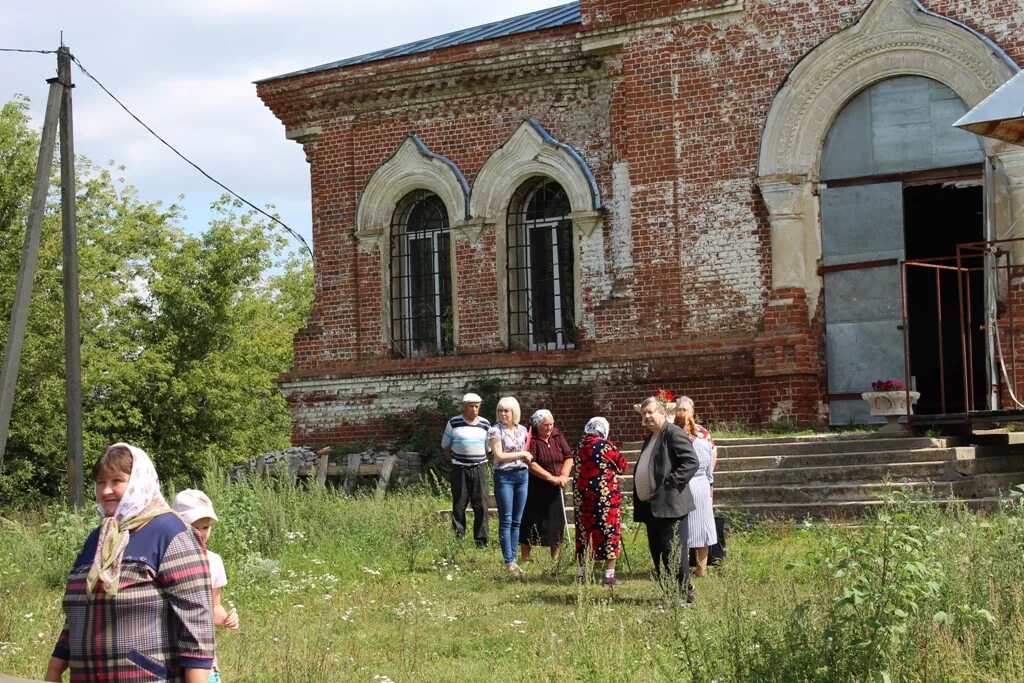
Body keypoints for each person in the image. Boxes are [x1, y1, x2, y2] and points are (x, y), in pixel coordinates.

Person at [45, 443, 214, 683]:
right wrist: (55, 668)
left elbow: (196, 621)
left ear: (138, 482)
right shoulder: (101, 537)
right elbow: (79, 611)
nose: (105, 491)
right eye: (100, 483)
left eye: (116, 481)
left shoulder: (170, 533)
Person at [633, 396, 699, 605]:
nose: (647, 416)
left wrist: (671, 482)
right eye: (644, 413)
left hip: (670, 505)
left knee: (673, 551)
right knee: (658, 550)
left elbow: (691, 462)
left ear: (663, 413)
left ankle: (683, 595)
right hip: (652, 506)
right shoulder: (651, 437)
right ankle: (670, 592)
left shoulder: (673, 433)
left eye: (651, 412)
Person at [173, 489, 240, 683]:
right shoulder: (167, 560)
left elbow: (213, 606)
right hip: (171, 649)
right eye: (194, 527)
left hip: (202, 650)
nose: (201, 533)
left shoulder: (214, 561)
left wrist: (226, 618)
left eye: (206, 527)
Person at [573, 417, 628, 586]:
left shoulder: (579, 446)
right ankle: (608, 576)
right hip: (604, 498)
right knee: (609, 532)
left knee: (584, 534)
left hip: (582, 498)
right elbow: (622, 465)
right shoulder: (605, 445)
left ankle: (582, 575)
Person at [486, 396, 533, 575]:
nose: (503, 414)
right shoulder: (495, 431)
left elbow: (528, 452)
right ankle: (509, 562)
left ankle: (514, 559)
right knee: (506, 519)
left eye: (506, 410)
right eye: (500, 410)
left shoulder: (523, 430)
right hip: (504, 476)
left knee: (517, 520)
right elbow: (499, 455)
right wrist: (522, 453)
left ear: (514, 412)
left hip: (522, 476)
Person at [520, 409, 574, 564]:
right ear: (537, 425)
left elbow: (568, 456)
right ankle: (526, 559)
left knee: (556, 523)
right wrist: (550, 477)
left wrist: (563, 475)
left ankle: (555, 559)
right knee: (530, 522)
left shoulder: (557, 434)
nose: (549, 428)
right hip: (536, 487)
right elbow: (530, 463)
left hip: (556, 488)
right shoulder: (532, 438)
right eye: (546, 425)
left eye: (551, 424)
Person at [442, 392, 491, 548]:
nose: (474, 410)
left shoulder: (485, 424)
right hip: (460, 469)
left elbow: (488, 448)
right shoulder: (454, 423)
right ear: (464, 406)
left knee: (481, 506)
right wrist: (455, 461)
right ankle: (458, 541)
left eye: (477, 406)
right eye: (471, 406)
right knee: (459, 505)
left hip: (480, 468)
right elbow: (445, 446)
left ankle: (481, 542)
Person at [676, 396, 717, 577]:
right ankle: (684, 568)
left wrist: (709, 481)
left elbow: (713, 457)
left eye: (685, 409)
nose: (682, 412)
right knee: (684, 529)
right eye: (679, 409)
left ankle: (701, 569)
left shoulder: (701, 433)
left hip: (695, 482)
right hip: (687, 483)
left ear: (692, 412)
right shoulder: (674, 432)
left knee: (699, 528)